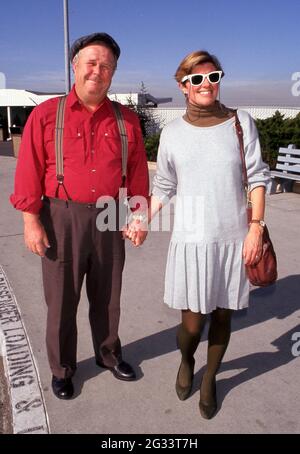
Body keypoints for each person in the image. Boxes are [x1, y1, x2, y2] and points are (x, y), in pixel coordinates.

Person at [124, 50, 270, 419]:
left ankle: (210, 379)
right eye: (197, 79)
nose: (206, 84)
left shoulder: (241, 122)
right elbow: (164, 185)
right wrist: (140, 218)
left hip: (234, 239)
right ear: (183, 86)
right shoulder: (172, 133)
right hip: (190, 241)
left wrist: (256, 228)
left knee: (222, 316)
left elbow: (257, 177)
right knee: (191, 322)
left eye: (213, 76)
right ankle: (187, 360)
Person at [10, 33, 149, 399]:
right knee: (61, 300)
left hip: (110, 214)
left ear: (113, 72)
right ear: (75, 67)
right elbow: (28, 169)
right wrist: (30, 219)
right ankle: (62, 369)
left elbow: (136, 173)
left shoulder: (128, 120)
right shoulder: (45, 114)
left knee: (108, 296)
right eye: (91, 63)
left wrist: (139, 216)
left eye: (106, 66)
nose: (97, 71)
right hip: (61, 216)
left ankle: (108, 354)